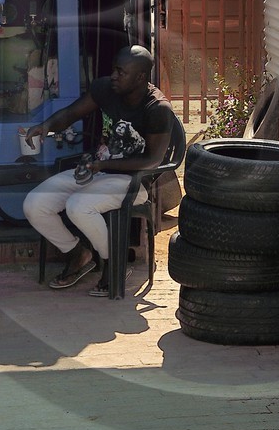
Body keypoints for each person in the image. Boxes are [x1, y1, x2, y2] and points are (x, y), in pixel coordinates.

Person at [19, 45, 174, 295]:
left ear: (140, 77)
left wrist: (103, 164)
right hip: (96, 171)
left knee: (78, 206)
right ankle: (78, 254)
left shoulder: (157, 108)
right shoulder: (106, 89)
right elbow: (71, 113)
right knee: (35, 204)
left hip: (132, 181)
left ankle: (115, 264)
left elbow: (152, 161)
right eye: (114, 69)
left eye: (121, 72)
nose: (114, 76)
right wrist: (46, 126)